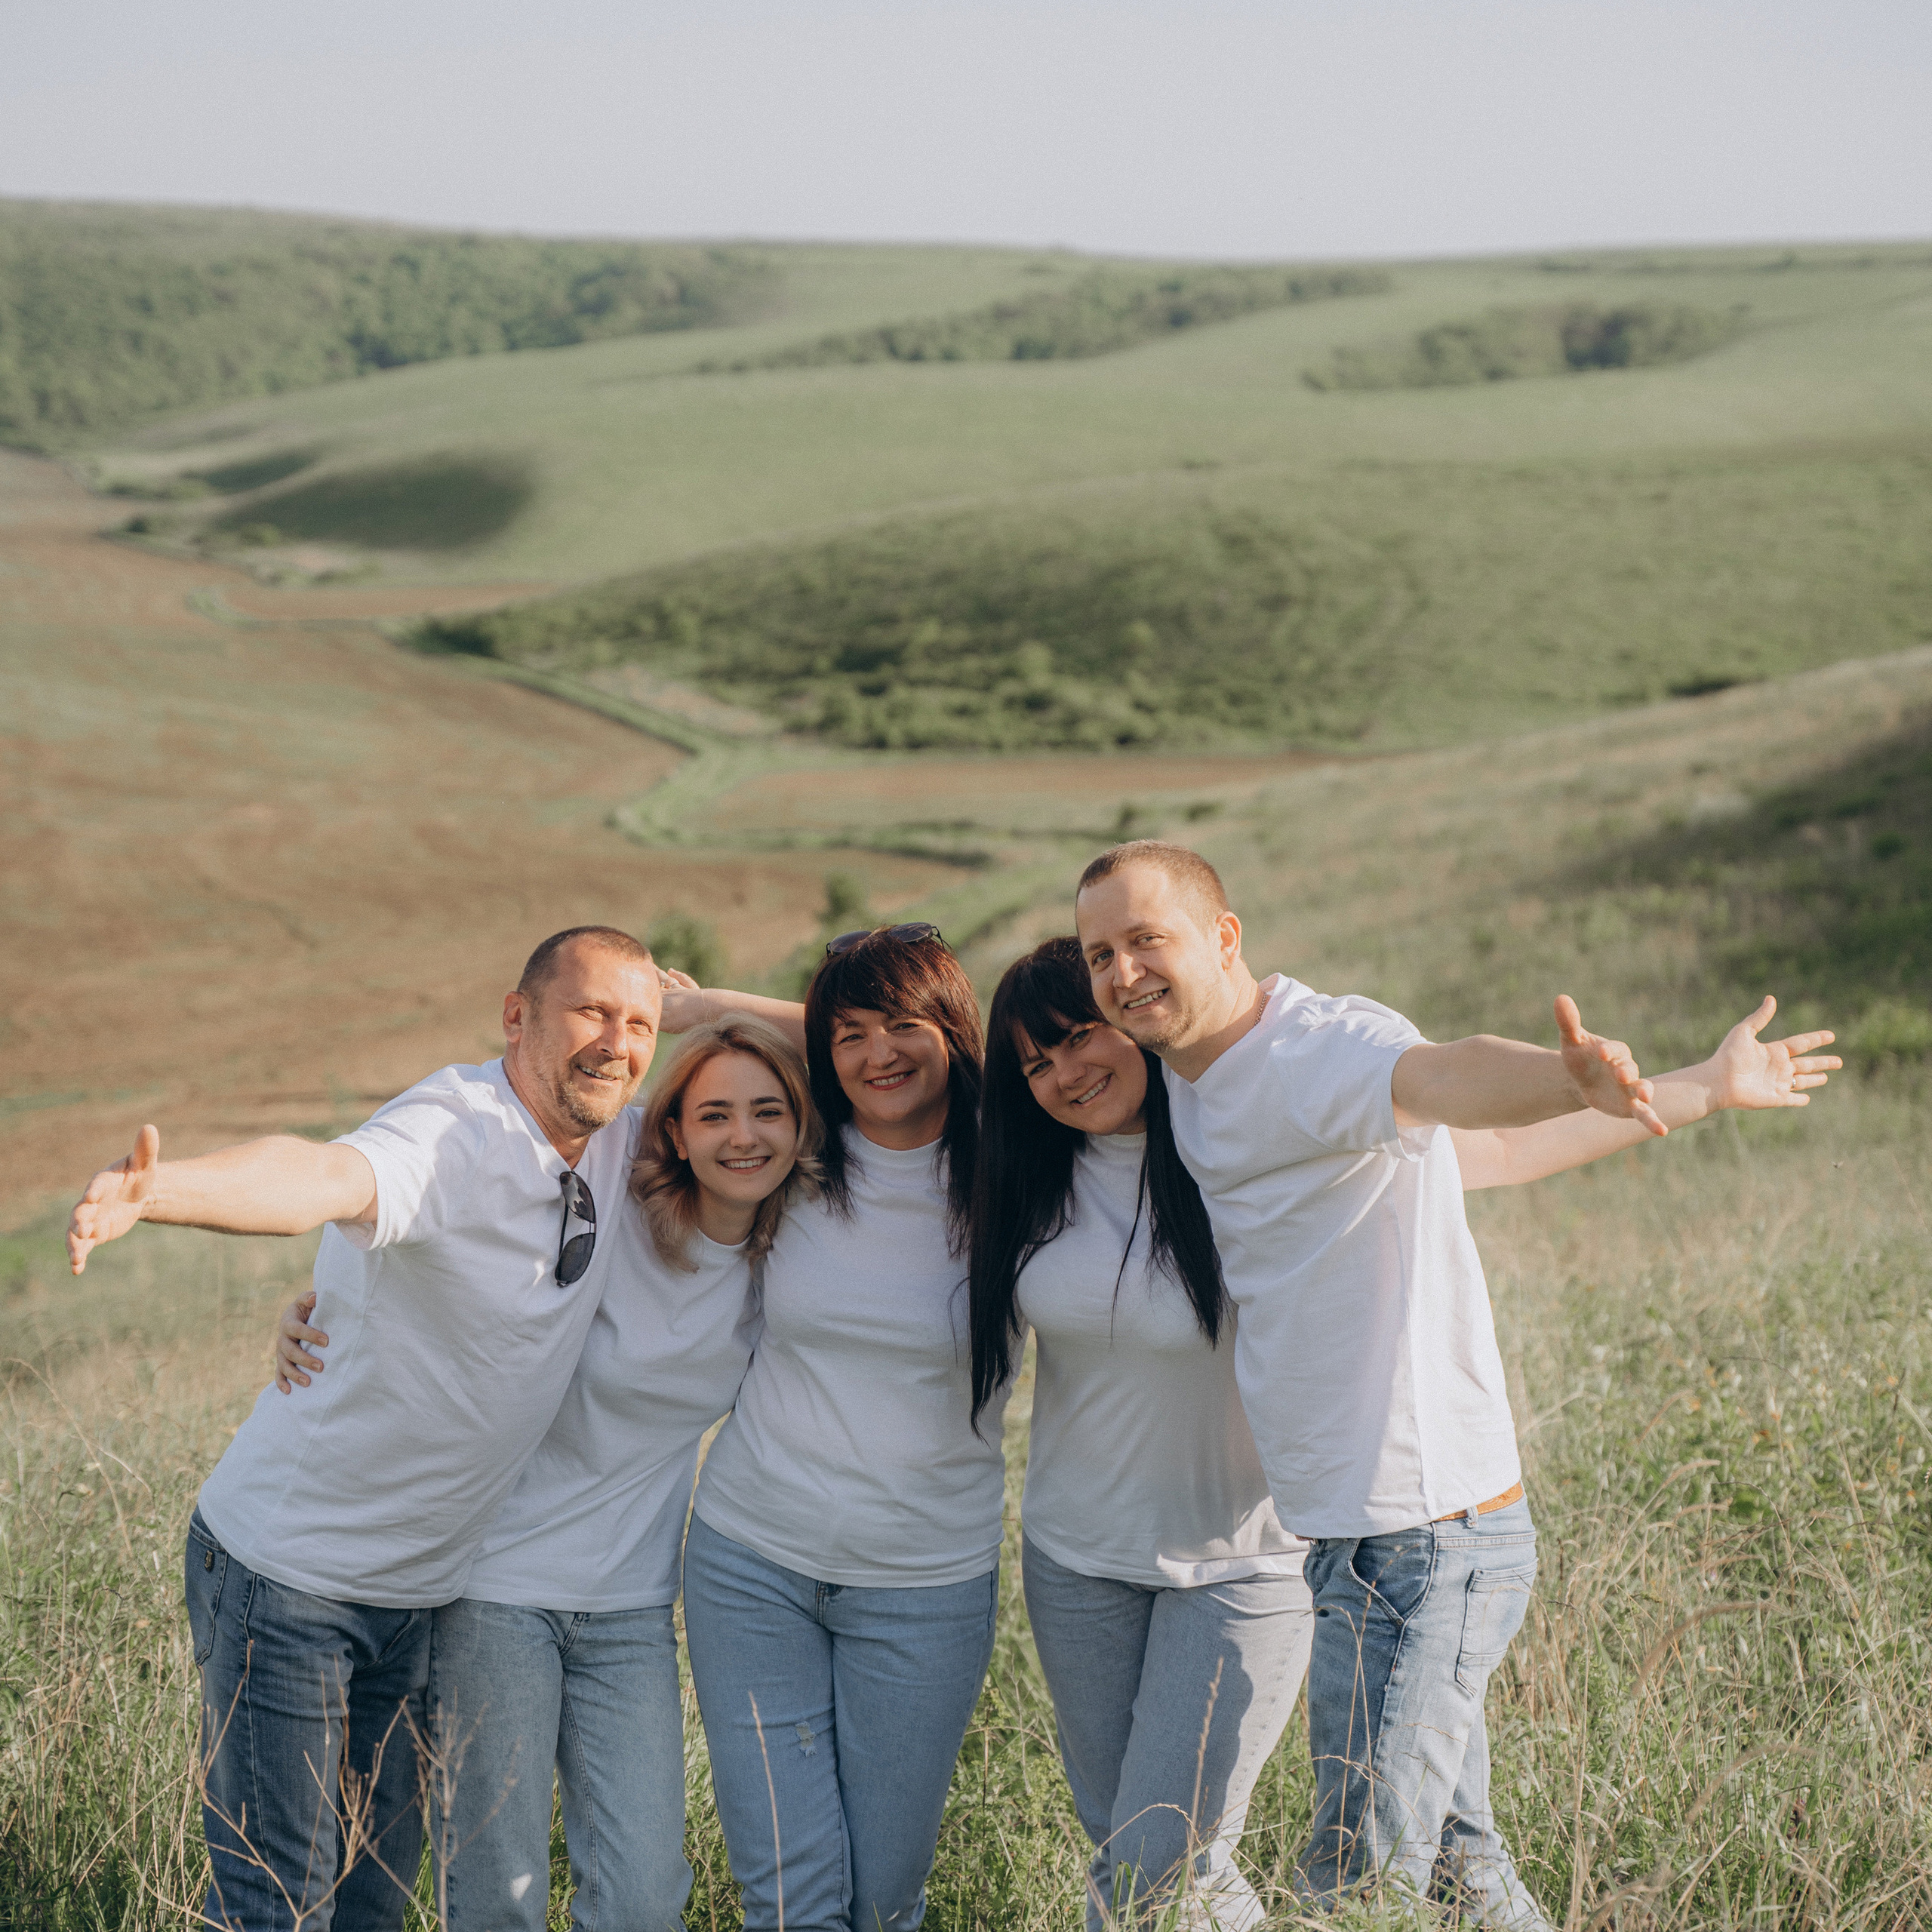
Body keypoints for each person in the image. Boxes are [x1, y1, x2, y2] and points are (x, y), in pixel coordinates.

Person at [1073, 841, 1839, 1928]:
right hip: (1349, 1539)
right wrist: (1700, 1090)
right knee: (1460, 1873)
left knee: (1350, 1879)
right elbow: (1481, 1156)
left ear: (1224, 936)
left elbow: (1440, 1072)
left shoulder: (1317, 1049)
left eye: (1147, 938)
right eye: (1101, 953)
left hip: (1426, 1538)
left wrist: (1551, 1075)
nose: (1123, 972)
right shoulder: (1195, 1079)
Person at [65, 926, 667, 1932]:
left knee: (371, 1906)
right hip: (289, 1580)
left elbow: (817, 1083)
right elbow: (323, 1175)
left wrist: (678, 1007)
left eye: (641, 1022)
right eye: (591, 1013)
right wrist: (161, 1192)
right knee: (277, 1904)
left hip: (420, 1601)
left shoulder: (620, 1140)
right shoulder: (457, 1130)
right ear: (516, 1017)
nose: (616, 1041)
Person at [272, 1017, 818, 1932]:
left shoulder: (795, 1262)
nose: (744, 1136)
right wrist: (320, 1308)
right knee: (496, 1895)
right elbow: (445, 1251)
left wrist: (703, 1003)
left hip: (632, 1606)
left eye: (768, 1112)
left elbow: (894, 1049)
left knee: (644, 1897)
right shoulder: (605, 1219)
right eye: (714, 1113)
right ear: (672, 1132)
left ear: (800, 1129)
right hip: (494, 1593)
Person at [668, 926, 1008, 1932]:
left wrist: (712, 1001)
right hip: (752, 1564)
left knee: (883, 1897)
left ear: (956, 1031)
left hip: (925, 1584)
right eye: (849, 1034)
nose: (879, 1056)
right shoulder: (800, 1144)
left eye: (907, 1027)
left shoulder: (1015, 1171)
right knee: (790, 1896)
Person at [969, 937, 1308, 1932]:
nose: (1066, 1075)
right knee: (1144, 1859)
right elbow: (880, 1069)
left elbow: (1442, 1132)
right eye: (1035, 1062)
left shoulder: (1238, 1146)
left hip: (1241, 1565)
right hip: (1076, 1564)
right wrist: (704, 1006)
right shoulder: (1026, 1172)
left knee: (1159, 1861)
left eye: (1080, 1037)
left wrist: (1686, 1094)